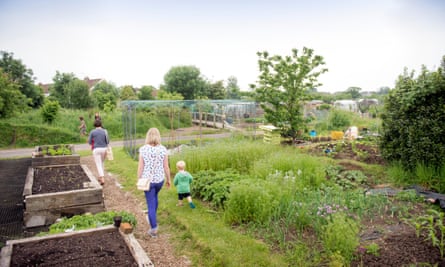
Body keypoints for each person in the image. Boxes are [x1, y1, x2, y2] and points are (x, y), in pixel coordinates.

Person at [137, 128, 171, 238]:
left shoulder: (143, 149)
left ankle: (154, 229)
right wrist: (169, 179)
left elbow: (141, 166)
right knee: (155, 197)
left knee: (150, 203)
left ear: (148, 136)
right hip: (159, 180)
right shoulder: (163, 149)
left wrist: (139, 179)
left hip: (148, 181)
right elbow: (166, 166)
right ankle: (153, 217)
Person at [88, 120, 109, 185]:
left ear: (94, 125)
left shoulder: (92, 132)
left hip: (96, 149)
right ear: (101, 124)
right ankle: (101, 177)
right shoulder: (105, 131)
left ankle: (102, 179)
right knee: (102, 163)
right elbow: (107, 141)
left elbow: (89, 142)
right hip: (104, 149)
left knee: (98, 164)